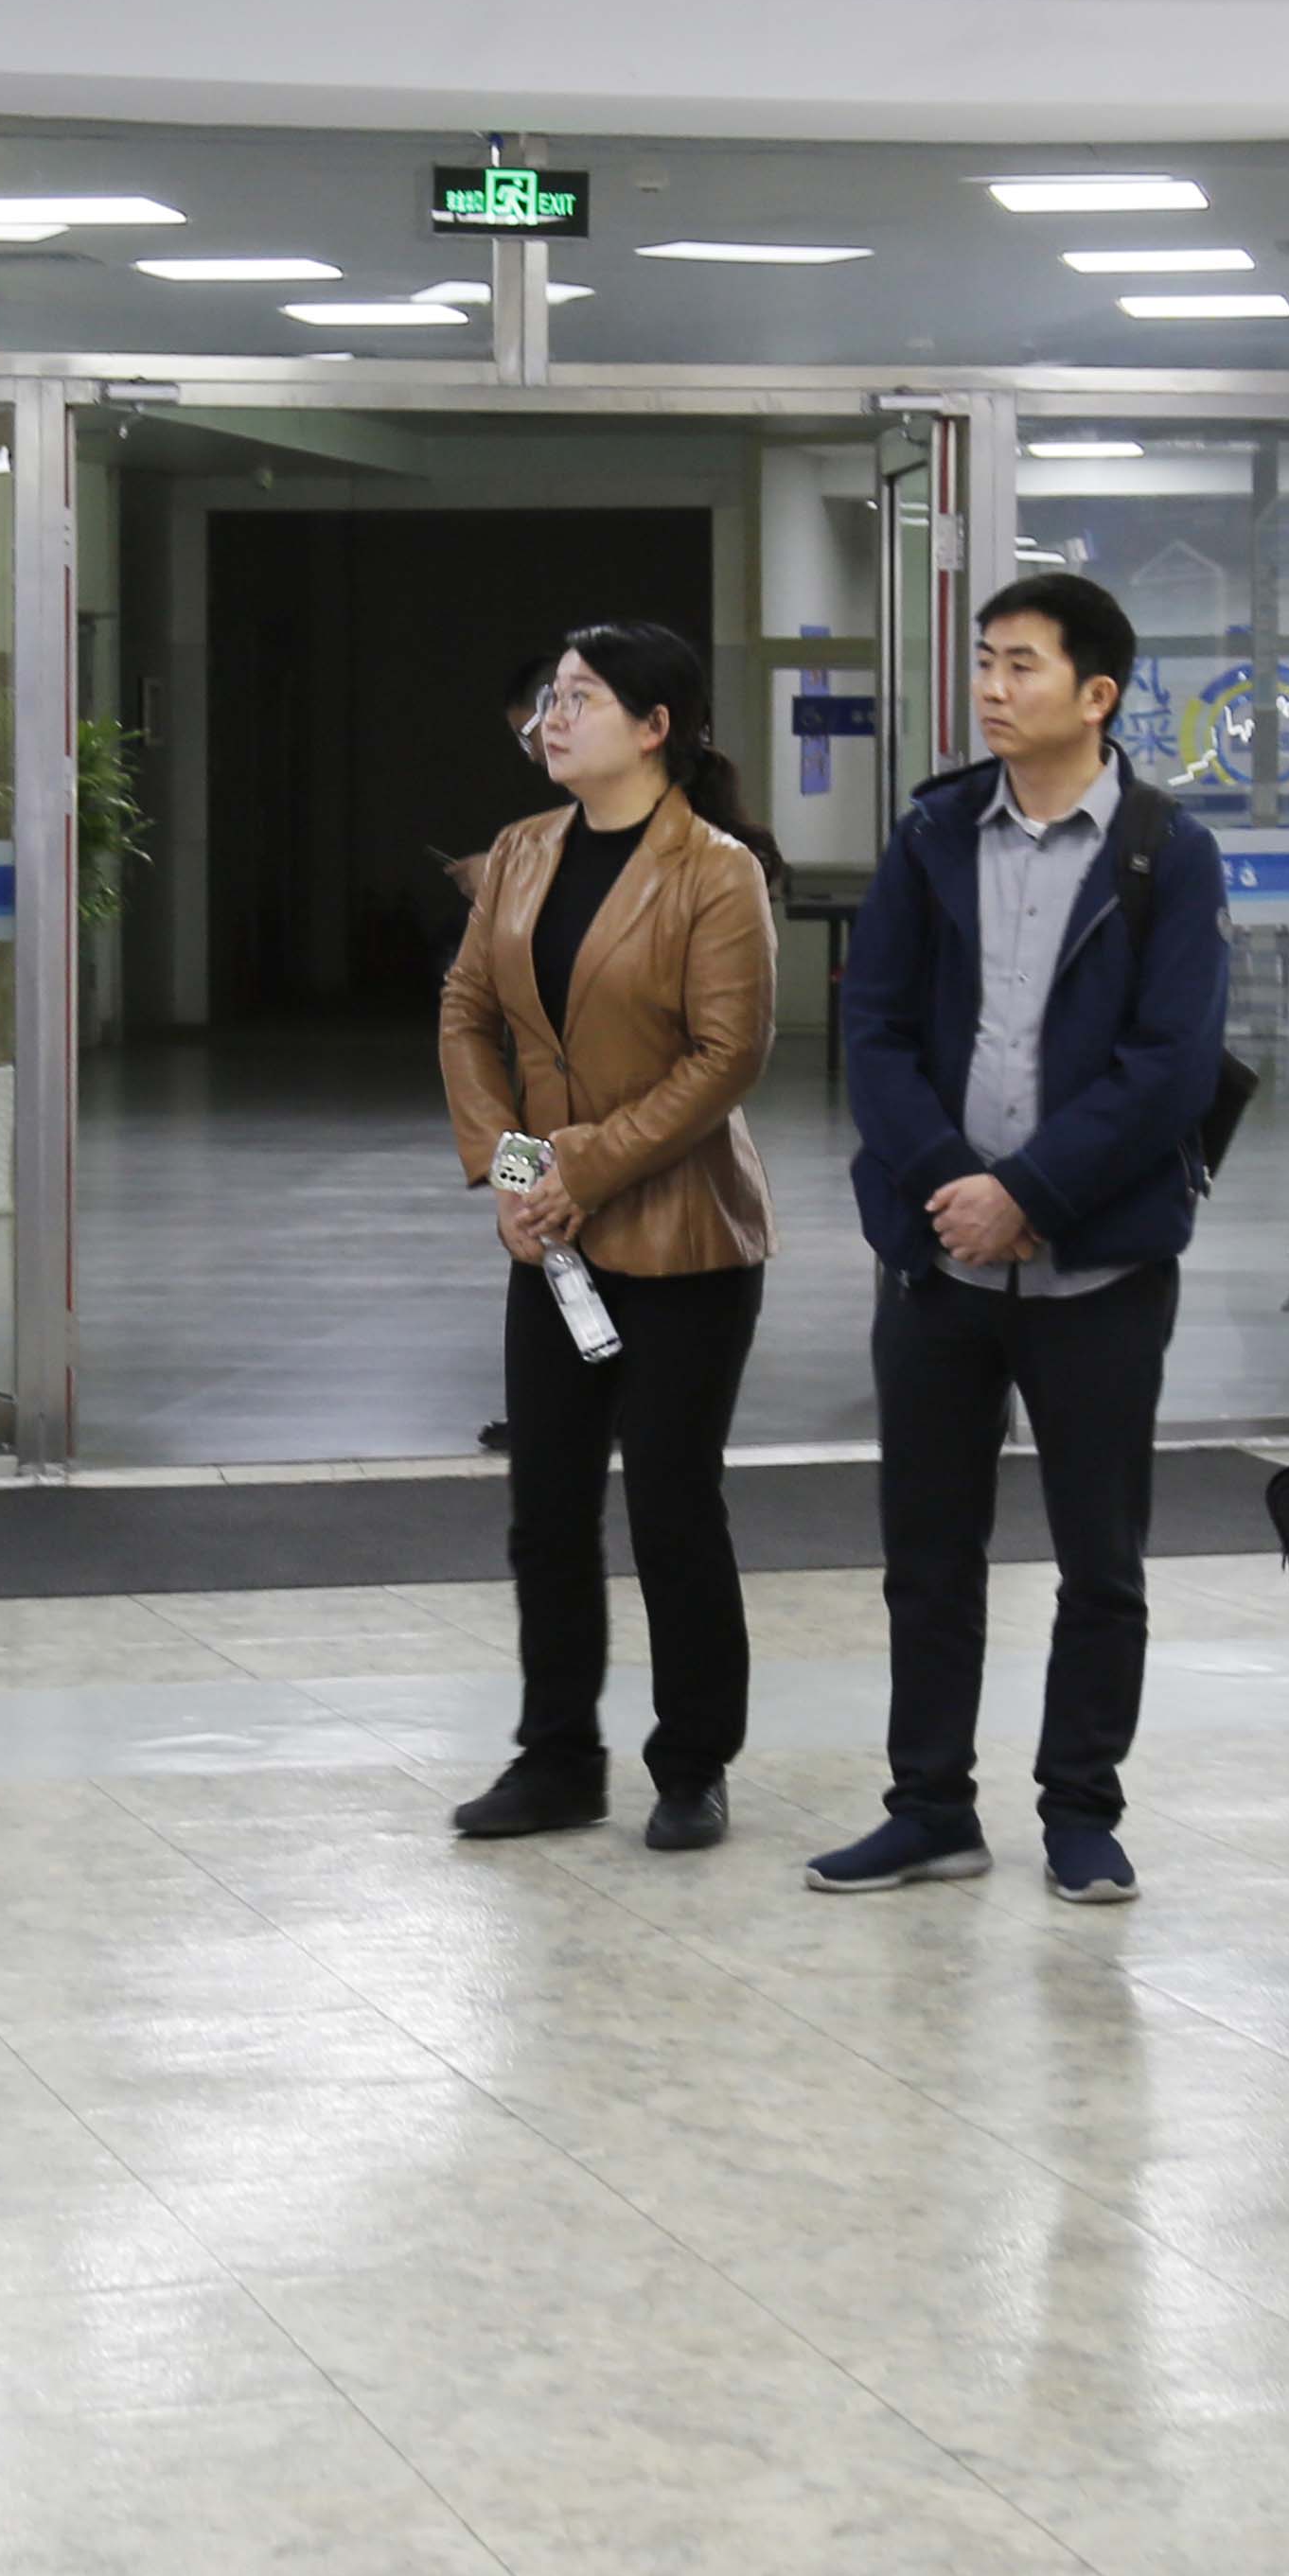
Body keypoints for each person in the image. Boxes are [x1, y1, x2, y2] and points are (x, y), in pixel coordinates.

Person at [813, 572, 1231, 1908]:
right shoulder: (934, 832)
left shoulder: (1166, 852)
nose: (991, 688)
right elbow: (875, 1028)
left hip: (1098, 1267)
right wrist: (950, 1183)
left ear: (1098, 695)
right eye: (985, 662)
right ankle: (930, 1806)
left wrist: (1031, 1194)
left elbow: (1171, 1066)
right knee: (927, 1554)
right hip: (938, 1260)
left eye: (1021, 665)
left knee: (1100, 1560)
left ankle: (1082, 1811)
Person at [434, 624, 783, 1853]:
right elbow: (468, 1016)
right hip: (553, 1241)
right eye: (550, 699)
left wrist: (580, 1165)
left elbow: (726, 1057)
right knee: (547, 1507)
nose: (553, 718)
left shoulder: (715, 872)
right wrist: (519, 1178)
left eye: (580, 699)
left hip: (686, 1240)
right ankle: (556, 1760)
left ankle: (692, 1764)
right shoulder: (521, 853)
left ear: (654, 727)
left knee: (673, 1507)